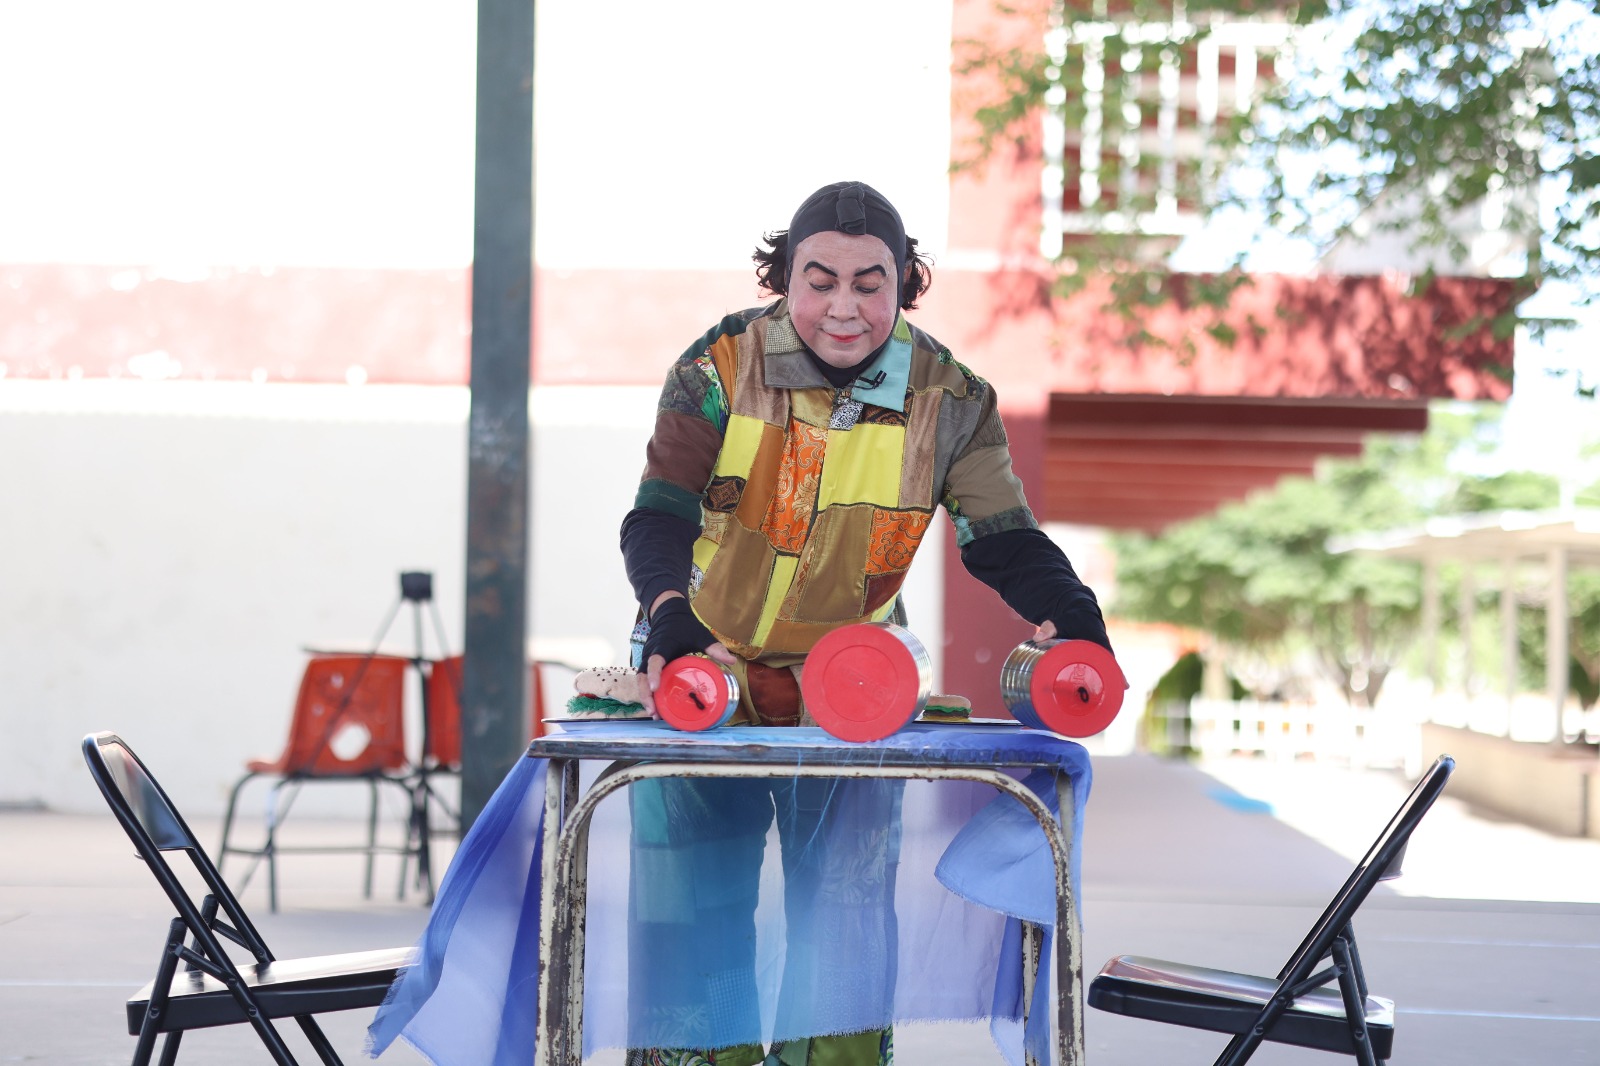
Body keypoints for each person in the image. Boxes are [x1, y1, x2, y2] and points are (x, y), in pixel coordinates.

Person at [617, 181, 1112, 1066]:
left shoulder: (951, 398)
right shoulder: (719, 365)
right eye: (820, 281)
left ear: (904, 285)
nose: (843, 308)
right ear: (785, 278)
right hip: (703, 664)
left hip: (851, 689)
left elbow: (1004, 541)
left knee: (840, 927)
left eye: (869, 284)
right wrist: (668, 618)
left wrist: (1075, 615)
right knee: (694, 916)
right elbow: (658, 516)